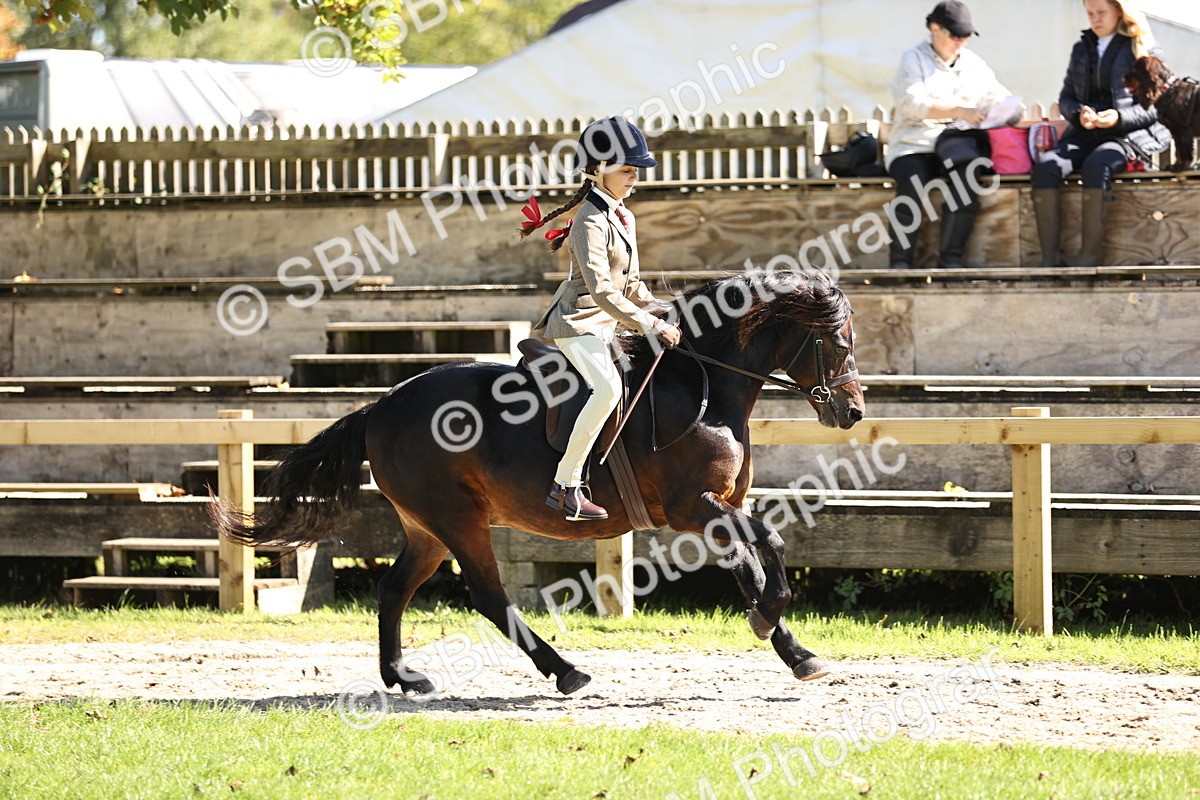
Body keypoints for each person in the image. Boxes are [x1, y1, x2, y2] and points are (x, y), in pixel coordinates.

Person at [519, 116, 682, 522]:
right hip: (578, 322)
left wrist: (666, 309)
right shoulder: (589, 222)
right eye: (627, 170)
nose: (634, 178)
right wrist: (649, 324)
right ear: (597, 170)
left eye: (635, 171)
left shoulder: (623, 215)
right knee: (607, 388)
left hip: (608, 320)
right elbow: (601, 291)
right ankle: (566, 485)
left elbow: (632, 285)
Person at [1031, 0, 1171, 267]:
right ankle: (1049, 259)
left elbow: (1155, 106)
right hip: (1086, 132)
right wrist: (1077, 115)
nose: (1094, 19)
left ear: (1119, 10)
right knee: (1045, 168)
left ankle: (1089, 257)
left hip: (1129, 136)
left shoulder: (1144, 47)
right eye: (1090, 13)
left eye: (1101, 12)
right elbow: (1067, 97)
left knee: (1098, 164)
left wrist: (1117, 118)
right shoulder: (1081, 49)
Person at [886, 1, 1015, 268]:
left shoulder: (974, 64)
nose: (961, 42)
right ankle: (900, 264)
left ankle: (950, 261)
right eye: (956, 36)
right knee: (912, 183)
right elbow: (911, 103)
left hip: (955, 146)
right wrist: (959, 110)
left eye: (966, 36)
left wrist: (1015, 110)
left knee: (967, 181)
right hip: (914, 144)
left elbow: (998, 97)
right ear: (935, 29)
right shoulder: (913, 59)